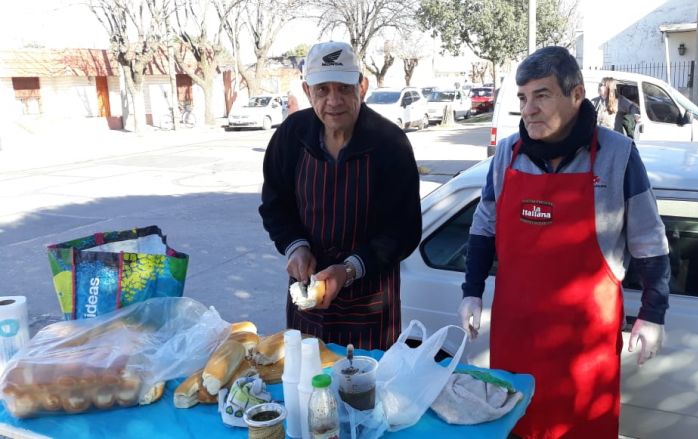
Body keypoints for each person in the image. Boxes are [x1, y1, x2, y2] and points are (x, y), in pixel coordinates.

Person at [457, 47, 670, 438]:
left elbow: (649, 241)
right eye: (523, 97)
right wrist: (471, 291)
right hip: (515, 337)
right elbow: (483, 227)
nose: (529, 109)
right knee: (514, 425)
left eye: (542, 95)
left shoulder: (618, 155)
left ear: (576, 95)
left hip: (584, 348)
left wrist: (653, 312)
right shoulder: (506, 155)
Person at [259, 41, 422, 351]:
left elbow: (403, 230)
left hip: (370, 305)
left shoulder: (390, 143)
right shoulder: (292, 135)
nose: (333, 101)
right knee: (308, 382)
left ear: (362, 86)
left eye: (343, 88)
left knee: (366, 389)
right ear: (307, 91)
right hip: (307, 297)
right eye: (322, 90)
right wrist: (296, 247)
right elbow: (275, 205)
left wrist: (349, 270)